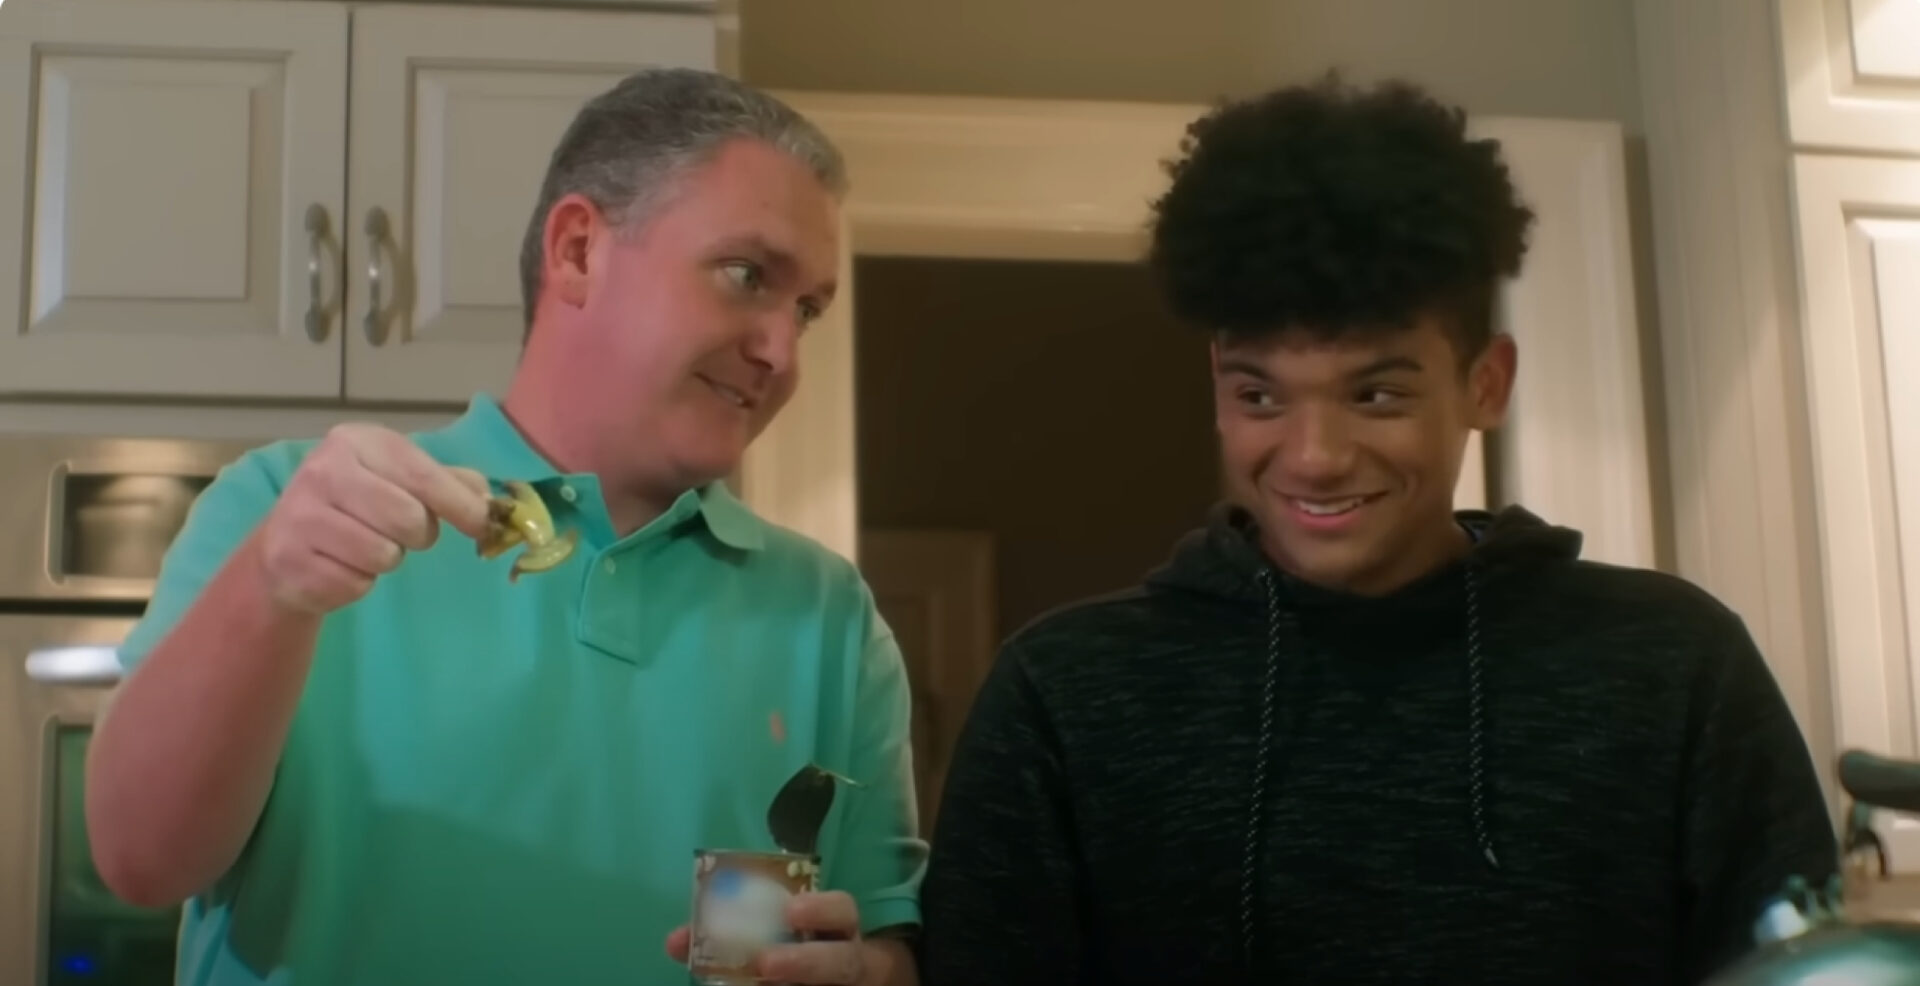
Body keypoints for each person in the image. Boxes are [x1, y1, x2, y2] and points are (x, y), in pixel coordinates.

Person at [916, 74, 1839, 986]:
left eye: (1377, 393)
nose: (1314, 456)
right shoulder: (1064, 695)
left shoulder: (1673, 667)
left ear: (1486, 384)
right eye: (1260, 395)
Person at [86, 68, 925, 986]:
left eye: (806, 309)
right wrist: (270, 592)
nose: (782, 350)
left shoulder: (828, 616)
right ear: (576, 251)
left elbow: (881, 939)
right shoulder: (286, 512)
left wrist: (875, 972)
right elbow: (141, 863)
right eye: (745, 275)